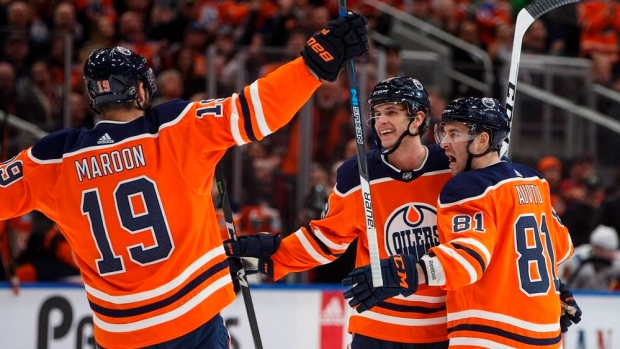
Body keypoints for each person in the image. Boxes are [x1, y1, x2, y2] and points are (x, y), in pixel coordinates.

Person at [0, 12, 369, 349]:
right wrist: (314, 63)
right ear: (141, 90)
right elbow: (257, 108)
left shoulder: (53, 157)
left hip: (119, 334)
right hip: (192, 324)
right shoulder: (173, 127)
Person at [226, 76, 454, 348]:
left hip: (441, 329)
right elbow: (326, 239)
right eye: (377, 113)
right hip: (377, 328)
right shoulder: (356, 174)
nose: (381, 121)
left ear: (417, 118)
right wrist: (272, 258)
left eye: (391, 112)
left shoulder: (450, 167)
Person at [343, 97, 582, 348]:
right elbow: (559, 248)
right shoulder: (534, 181)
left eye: (454, 134)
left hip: (489, 336)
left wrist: (406, 273)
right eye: (443, 132)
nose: (444, 144)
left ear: (482, 140)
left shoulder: (468, 187)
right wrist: (556, 289)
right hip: (547, 335)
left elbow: (467, 260)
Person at [560, 224, 620, 291]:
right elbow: (562, 284)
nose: (612, 254)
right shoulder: (575, 260)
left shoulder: (616, 261)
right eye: (609, 250)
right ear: (597, 248)